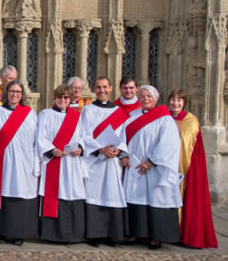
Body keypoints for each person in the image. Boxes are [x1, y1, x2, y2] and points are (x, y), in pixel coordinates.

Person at [123, 85, 181, 250]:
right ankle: (134, 231)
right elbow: (122, 138)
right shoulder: (131, 117)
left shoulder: (164, 118)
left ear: (155, 98)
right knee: (134, 197)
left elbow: (169, 143)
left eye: (148, 96)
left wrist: (151, 162)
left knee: (156, 198)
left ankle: (157, 236)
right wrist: (124, 156)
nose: (145, 99)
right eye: (141, 96)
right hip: (134, 166)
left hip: (155, 168)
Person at [78, 77, 130, 246]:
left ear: (111, 88)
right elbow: (85, 134)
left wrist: (118, 150)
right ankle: (95, 235)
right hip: (95, 161)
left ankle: (113, 235)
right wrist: (100, 149)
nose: (102, 90)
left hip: (113, 161)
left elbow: (124, 135)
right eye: (98, 87)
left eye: (105, 87)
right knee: (94, 195)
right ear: (94, 89)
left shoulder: (119, 112)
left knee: (112, 194)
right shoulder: (88, 110)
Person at [0, 80, 38, 246]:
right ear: (6, 93)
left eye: (18, 92)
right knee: (4, 194)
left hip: (24, 161)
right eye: (12, 91)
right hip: (3, 160)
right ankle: (1, 232)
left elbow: (36, 141)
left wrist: (35, 163)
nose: (15, 94)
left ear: (22, 95)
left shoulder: (30, 114)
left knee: (19, 196)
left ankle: (18, 233)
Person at [168, 89, 218, 249]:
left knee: (187, 200)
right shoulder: (164, 118)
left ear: (184, 103)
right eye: (172, 100)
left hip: (185, 168)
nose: (175, 103)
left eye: (179, 100)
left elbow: (193, 149)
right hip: (165, 168)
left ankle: (187, 235)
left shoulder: (191, 122)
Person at [37, 85, 87, 243]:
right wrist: (52, 150)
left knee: (71, 192)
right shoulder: (45, 114)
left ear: (70, 99)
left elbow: (83, 136)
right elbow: (40, 137)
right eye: (59, 97)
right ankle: (51, 234)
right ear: (54, 98)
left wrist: (80, 148)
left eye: (66, 97)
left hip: (71, 163)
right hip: (53, 161)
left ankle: (72, 234)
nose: (62, 100)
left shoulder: (77, 117)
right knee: (54, 194)